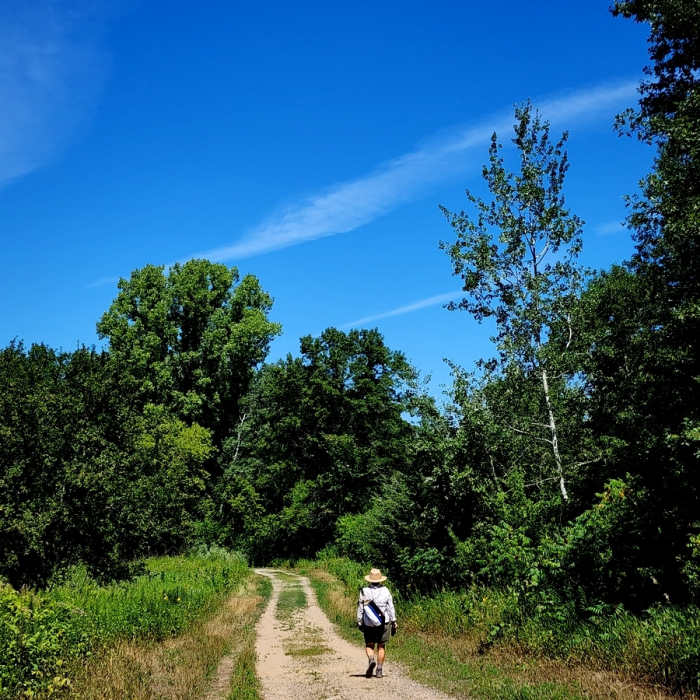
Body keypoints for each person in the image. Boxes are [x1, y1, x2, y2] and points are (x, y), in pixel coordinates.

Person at [357, 567, 397, 678]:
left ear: (369, 580)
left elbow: (361, 608)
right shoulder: (385, 590)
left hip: (368, 623)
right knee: (381, 646)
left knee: (369, 644)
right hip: (384, 622)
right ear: (380, 580)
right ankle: (379, 670)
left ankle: (371, 660)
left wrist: (359, 621)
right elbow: (390, 607)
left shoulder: (364, 591)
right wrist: (394, 621)